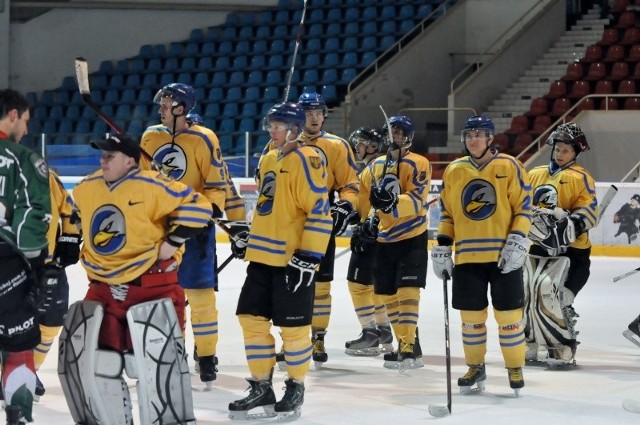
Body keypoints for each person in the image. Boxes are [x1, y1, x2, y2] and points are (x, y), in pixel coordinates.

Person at [59, 133, 212, 425]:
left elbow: (200, 207)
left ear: (130, 160)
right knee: (100, 365)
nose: (102, 161)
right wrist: (72, 233)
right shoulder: (87, 186)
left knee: (157, 370)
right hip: (102, 288)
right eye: (101, 155)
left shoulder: (153, 184)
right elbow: (74, 212)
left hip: (152, 288)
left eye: (110, 156)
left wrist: (174, 239)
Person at [227, 103, 332, 420]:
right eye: (270, 124)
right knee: (251, 319)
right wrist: (248, 235)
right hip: (261, 259)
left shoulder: (308, 159)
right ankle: (262, 387)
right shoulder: (269, 157)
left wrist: (310, 256)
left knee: (294, 328)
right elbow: (267, 205)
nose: (271, 130)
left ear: (295, 129)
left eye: (278, 125)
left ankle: (295, 387)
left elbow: (319, 210)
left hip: (292, 262)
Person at [431, 115, 532, 396]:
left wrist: (518, 238)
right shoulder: (454, 170)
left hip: (504, 257)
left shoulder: (509, 166)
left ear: (490, 138)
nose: (473, 139)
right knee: (471, 321)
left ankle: (515, 367)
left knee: (509, 318)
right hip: (467, 259)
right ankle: (476, 366)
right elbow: (448, 214)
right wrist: (442, 245)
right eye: (469, 134)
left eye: (479, 134)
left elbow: (524, 208)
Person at [140, 83, 227, 386]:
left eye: (166, 104)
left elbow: (216, 182)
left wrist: (211, 208)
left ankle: (206, 356)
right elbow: (140, 179)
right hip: (158, 229)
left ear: (181, 108)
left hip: (194, 227)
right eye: (161, 104)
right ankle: (163, 353)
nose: (160, 110)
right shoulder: (150, 137)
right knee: (156, 295)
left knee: (201, 297)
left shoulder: (204, 138)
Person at [357, 115, 431, 372]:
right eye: (393, 132)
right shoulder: (375, 165)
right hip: (385, 239)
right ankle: (404, 344)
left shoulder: (418, 162)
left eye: (401, 132)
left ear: (409, 137)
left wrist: (393, 202)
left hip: (412, 236)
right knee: (387, 295)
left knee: (408, 292)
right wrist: (365, 223)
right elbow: (364, 198)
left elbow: (418, 198)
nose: (396, 136)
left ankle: (409, 346)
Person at [295, 92, 359, 367]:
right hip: (289, 223)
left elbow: (350, 184)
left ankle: (317, 337)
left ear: (324, 115)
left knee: (321, 287)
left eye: (318, 111)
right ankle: (293, 340)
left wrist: (345, 205)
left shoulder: (337, 145)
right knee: (291, 285)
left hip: (321, 221)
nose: (313, 116)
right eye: (308, 111)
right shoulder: (284, 142)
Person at [526, 122, 598, 366]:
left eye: (565, 150)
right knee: (528, 295)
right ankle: (531, 342)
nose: (559, 153)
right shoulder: (535, 174)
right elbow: (520, 202)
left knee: (555, 296)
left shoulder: (581, 177)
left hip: (573, 252)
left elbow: (589, 210)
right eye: (557, 148)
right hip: (538, 248)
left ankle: (562, 346)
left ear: (575, 152)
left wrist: (571, 223)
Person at [0, 89, 52, 425]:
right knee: (19, 346)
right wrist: (35, 265)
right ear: (14, 115)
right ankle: (18, 414)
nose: (27, 130)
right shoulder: (22, 158)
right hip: (7, 266)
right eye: (26, 121)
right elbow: (34, 215)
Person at [343, 127, 394, 356]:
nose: (358, 148)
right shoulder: (376, 166)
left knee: (358, 284)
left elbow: (380, 198)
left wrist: (369, 224)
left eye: (362, 144)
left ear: (373, 146)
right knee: (373, 285)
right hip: (379, 233)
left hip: (373, 234)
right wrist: (357, 215)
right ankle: (383, 330)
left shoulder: (377, 166)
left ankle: (370, 333)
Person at [32, 169, 81, 399]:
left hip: (49, 264)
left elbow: (69, 208)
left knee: (51, 323)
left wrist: (69, 238)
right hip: (9, 264)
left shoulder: (44, 173)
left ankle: (29, 371)